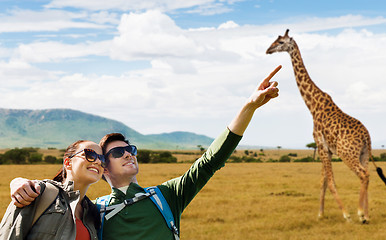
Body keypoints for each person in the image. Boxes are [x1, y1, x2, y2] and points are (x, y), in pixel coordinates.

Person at [8, 65, 281, 239]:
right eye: (117, 153)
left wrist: (248, 107)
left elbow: (210, 161)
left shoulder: (166, 197)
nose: (129, 154)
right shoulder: (93, 212)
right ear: (104, 169)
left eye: (130, 149)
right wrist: (19, 182)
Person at [1, 140, 106, 240]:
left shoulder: (93, 214)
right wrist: (16, 181)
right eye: (90, 155)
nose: (98, 161)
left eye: (102, 158)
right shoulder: (35, 192)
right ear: (68, 163)